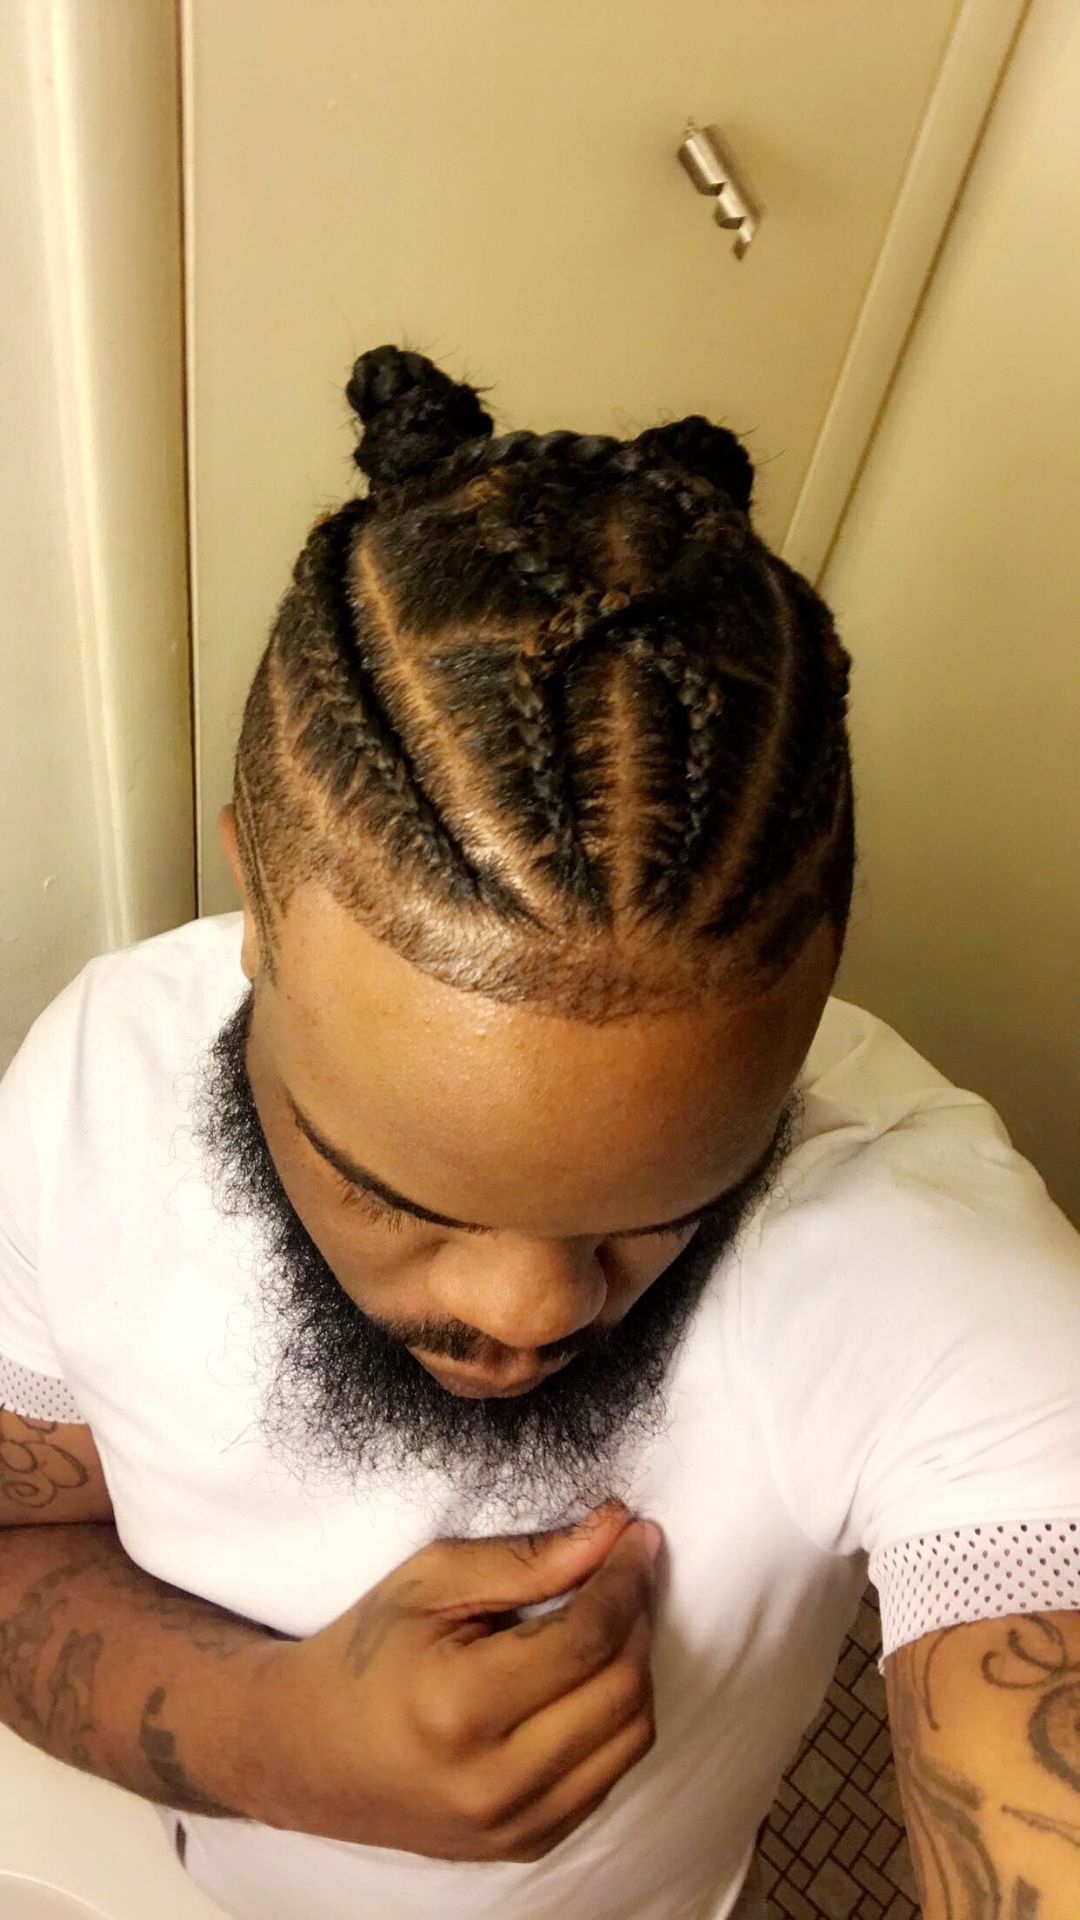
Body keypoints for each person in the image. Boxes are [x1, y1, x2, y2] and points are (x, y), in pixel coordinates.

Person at [0, 345, 1078, 1920]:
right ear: (257, 905)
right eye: (395, 1193)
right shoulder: (93, 1085)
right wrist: (278, 1740)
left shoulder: (928, 1251)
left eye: (665, 1206)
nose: (529, 1312)